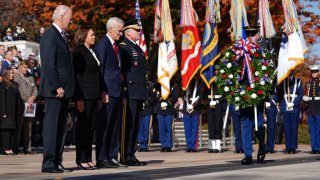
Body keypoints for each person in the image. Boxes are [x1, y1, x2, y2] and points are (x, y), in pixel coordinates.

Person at [39, 5, 74, 173]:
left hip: (64, 89)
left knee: (61, 128)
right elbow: (48, 63)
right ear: (61, 17)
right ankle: (48, 163)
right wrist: (56, 86)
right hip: (56, 90)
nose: (70, 20)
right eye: (69, 17)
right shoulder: (50, 35)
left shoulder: (61, 35)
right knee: (52, 127)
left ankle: (57, 161)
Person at [93, 17, 127, 168]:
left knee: (114, 126)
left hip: (117, 91)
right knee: (105, 126)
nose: (121, 34)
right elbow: (100, 70)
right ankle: (102, 157)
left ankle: (112, 155)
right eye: (119, 31)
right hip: (107, 91)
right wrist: (102, 91)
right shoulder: (102, 44)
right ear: (110, 29)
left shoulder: (116, 46)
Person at [119, 19, 147, 166]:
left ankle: (131, 153)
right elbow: (122, 71)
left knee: (135, 125)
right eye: (136, 30)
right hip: (130, 91)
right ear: (128, 32)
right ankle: (124, 155)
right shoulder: (124, 47)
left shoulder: (137, 48)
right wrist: (123, 91)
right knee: (128, 125)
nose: (139, 32)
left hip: (138, 91)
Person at [72, 26, 100, 170]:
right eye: (92, 35)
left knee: (90, 128)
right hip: (84, 95)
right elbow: (77, 76)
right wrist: (79, 98)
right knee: (83, 128)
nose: (94, 37)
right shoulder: (79, 52)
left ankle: (88, 157)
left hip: (94, 95)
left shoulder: (92, 51)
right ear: (83, 36)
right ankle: (81, 158)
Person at [239, 26, 266, 165]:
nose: (251, 37)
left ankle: (262, 149)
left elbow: (267, 71)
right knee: (245, 123)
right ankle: (248, 155)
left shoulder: (261, 52)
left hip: (257, 91)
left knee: (258, 122)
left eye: (253, 34)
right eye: (249, 34)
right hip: (244, 91)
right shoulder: (240, 51)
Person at [14, 60, 38, 154]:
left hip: (30, 105)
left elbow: (35, 88)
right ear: (20, 67)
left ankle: (27, 148)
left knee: (28, 127)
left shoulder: (30, 77)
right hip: (21, 104)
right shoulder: (16, 77)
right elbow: (18, 90)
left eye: (27, 67)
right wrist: (27, 99)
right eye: (24, 67)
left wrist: (33, 97)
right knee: (19, 126)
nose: (26, 69)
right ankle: (16, 147)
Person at [0, 68, 24, 155]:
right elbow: (2, 99)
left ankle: (10, 147)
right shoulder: (3, 85)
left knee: (12, 130)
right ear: (6, 74)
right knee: (6, 129)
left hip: (14, 111)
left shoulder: (14, 84)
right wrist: (3, 112)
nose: (12, 75)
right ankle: (5, 148)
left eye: (12, 73)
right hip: (6, 111)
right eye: (10, 73)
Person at [279, 71, 303, 154]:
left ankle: (293, 147)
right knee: (287, 128)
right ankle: (288, 147)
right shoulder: (283, 81)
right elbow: (280, 94)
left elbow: (300, 94)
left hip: (294, 107)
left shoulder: (298, 81)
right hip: (285, 106)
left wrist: (294, 103)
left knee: (293, 128)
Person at [156, 82, 179, 152]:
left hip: (169, 110)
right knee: (161, 129)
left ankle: (168, 146)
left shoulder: (173, 85)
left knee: (169, 128)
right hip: (160, 110)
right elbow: (155, 95)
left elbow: (175, 97)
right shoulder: (160, 84)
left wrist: (168, 103)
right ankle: (163, 145)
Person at [302, 65, 320, 154]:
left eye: (316, 71)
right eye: (313, 72)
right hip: (310, 107)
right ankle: (314, 148)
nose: (314, 73)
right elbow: (305, 94)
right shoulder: (308, 83)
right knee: (312, 129)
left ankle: (319, 147)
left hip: (318, 107)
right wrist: (304, 98)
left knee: (318, 129)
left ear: (318, 72)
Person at [183, 78, 203, 152]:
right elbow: (182, 94)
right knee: (187, 129)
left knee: (194, 129)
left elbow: (200, 97)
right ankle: (189, 146)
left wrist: (194, 105)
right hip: (186, 109)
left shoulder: (199, 83)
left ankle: (194, 146)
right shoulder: (185, 82)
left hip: (195, 109)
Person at [137, 79, 157, 152]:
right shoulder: (138, 84)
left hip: (147, 110)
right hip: (140, 110)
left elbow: (154, 97)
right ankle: (141, 143)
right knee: (140, 128)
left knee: (146, 127)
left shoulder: (150, 86)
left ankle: (145, 145)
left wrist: (147, 102)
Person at [207, 83, 227, 153]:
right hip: (210, 105)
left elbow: (225, 94)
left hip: (218, 105)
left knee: (218, 124)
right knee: (211, 125)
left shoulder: (221, 82)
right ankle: (213, 146)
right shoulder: (208, 83)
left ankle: (218, 147)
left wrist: (217, 101)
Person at [265, 88, 278, 154]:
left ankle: (270, 147)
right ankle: (262, 146)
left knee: (271, 127)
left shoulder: (275, 81)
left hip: (271, 106)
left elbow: (279, 94)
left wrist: (272, 101)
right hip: (261, 105)